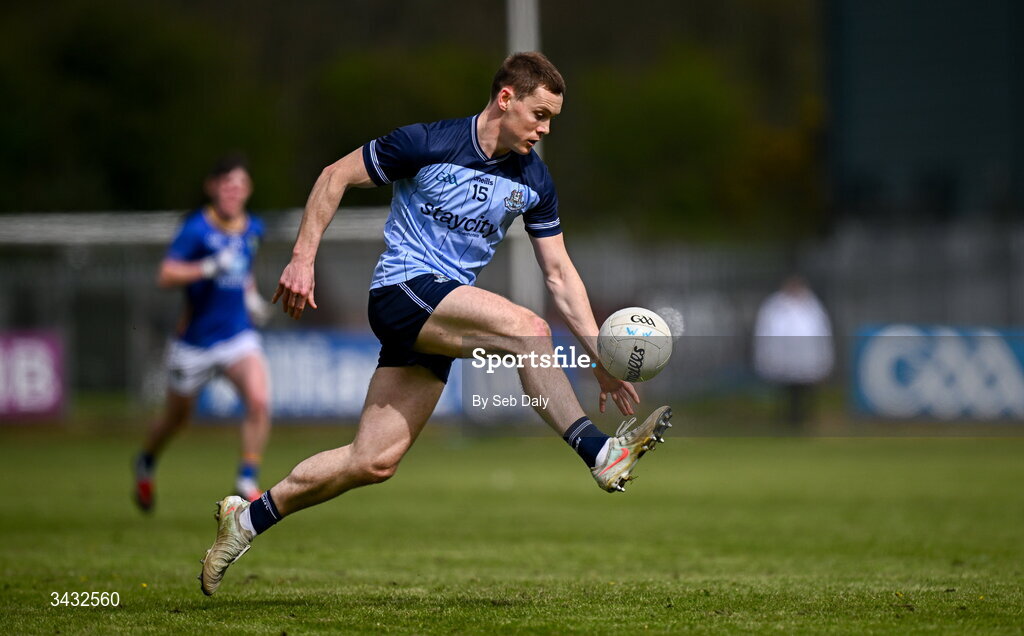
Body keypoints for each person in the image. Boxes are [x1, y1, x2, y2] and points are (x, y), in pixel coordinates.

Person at [197, 53, 673, 595]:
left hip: (442, 313)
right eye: (539, 115)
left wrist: (602, 360)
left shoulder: (534, 179)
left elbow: (560, 273)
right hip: (402, 290)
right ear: (505, 99)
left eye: (552, 120)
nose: (544, 130)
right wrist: (303, 257)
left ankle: (248, 519)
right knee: (527, 330)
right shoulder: (426, 142)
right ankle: (600, 453)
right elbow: (335, 177)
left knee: (372, 460)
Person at [133, 154, 273, 512]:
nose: (233, 192)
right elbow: (166, 275)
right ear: (212, 188)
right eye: (226, 185)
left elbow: (243, 272)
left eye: (239, 185)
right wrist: (207, 267)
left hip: (237, 335)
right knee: (176, 420)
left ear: (248, 190)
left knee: (258, 400)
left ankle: (246, 477)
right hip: (194, 343)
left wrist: (251, 296)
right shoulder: (196, 229)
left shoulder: (253, 228)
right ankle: (146, 460)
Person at [753, 274, 834, 430]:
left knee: (806, 393)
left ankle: (805, 423)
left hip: (807, 360)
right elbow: (765, 333)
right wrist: (765, 358)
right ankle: (787, 423)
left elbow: (822, 334)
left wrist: (824, 361)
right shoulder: (774, 307)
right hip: (782, 360)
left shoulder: (812, 306)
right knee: (786, 394)